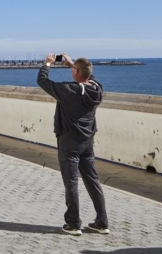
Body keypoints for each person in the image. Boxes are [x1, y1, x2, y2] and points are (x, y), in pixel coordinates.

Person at [38, 53, 109, 236]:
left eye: (73, 70)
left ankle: (73, 223)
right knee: (92, 181)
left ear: (76, 72)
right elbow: (89, 78)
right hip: (87, 142)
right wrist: (73, 65)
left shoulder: (69, 90)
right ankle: (102, 222)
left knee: (71, 183)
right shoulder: (97, 89)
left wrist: (48, 63)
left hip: (69, 143)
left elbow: (42, 81)